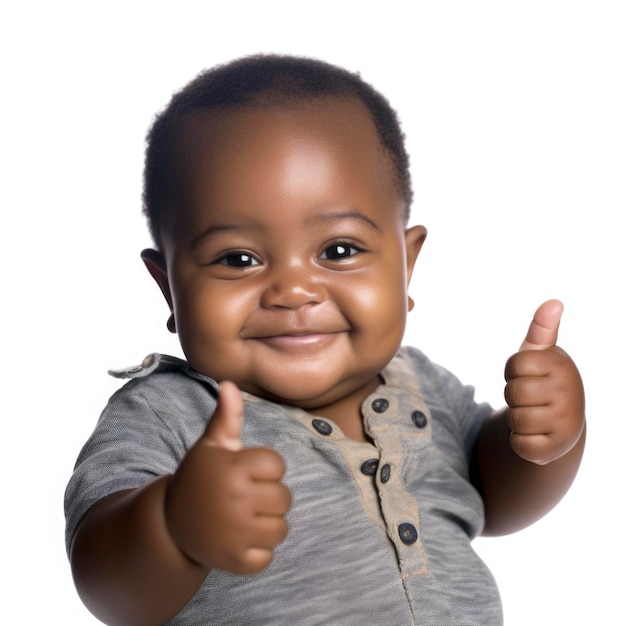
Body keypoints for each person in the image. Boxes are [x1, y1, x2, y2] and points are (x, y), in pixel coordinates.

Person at [64, 54, 586, 625]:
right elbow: (107, 585)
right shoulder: (168, 415)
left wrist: (543, 440)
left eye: (338, 250)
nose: (292, 290)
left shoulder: (423, 387)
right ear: (168, 287)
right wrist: (172, 525)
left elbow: (496, 501)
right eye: (237, 259)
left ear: (406, 266)